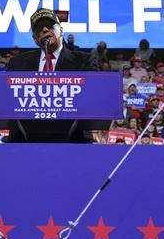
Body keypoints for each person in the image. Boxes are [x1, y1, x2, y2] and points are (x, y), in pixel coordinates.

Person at [6, 8, 99, 143]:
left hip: (74, 138)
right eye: (39, 28)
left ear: (61, 30)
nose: (45, 30)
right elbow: (7, 98)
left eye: (49, 26)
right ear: (34, 39)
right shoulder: (18, 63)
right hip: (24, 139)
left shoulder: (84, 60)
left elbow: (94, 92)